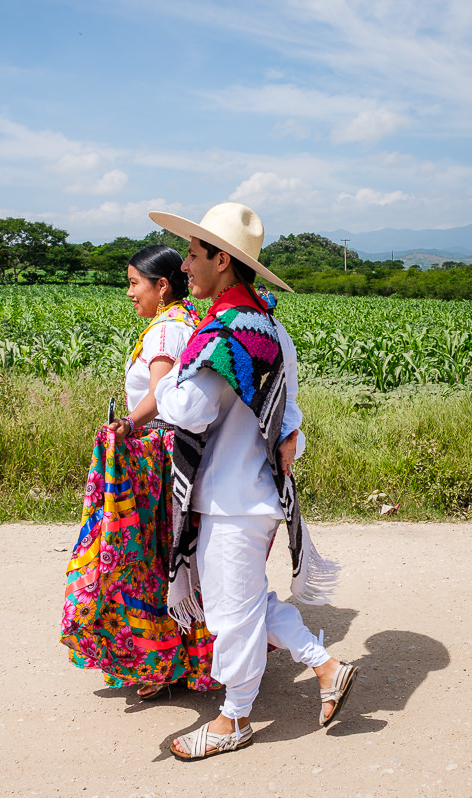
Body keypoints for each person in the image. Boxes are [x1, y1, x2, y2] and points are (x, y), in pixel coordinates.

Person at [149, 202, 359, 760]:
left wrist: (164, 377)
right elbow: (289, 415)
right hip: (252, 493)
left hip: (232, 496)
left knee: (231, 616)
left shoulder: (226, 335)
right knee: (245, 602)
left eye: (193, 254)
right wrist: (292, 441)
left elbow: (189, 412)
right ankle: (325, 666)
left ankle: (233, 719)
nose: (185, 265)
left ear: (222, 260)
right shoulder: (269, 328)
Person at [60, 245, 220, 699]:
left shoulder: (165, 330)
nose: (130, 293)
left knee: (145, 559)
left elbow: (160, 394)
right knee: (169, 558)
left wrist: (128, 425)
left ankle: (158, 661)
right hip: (177, 455)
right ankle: (179, 657)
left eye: (135, 283)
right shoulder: (185, 320)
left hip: (158, 460)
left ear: (161, 285)